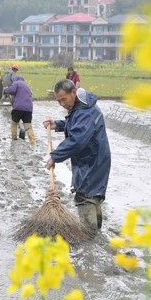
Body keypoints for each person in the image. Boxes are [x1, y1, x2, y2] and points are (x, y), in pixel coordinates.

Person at [42, 79, 111, 232]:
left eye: (64, 99)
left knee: (85, 196)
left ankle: (89, 235)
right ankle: (95, 232)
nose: (62, 104)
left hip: (92, 160)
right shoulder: (80, 105)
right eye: (58, 101)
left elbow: (77, 139)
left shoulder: (85, 111)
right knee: (93, 195)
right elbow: (76, 124)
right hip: (93, 158)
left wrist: (55, 156)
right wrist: (58, 125)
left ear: (73, 92)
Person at [3, 74, 36, 145]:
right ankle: (32, 141)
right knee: (28, 126)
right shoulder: (27, 86)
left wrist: (5, 90)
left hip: (18, 108)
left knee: (14, 123)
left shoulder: (16, 83)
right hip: (28, 109)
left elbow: (10, 90)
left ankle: (14, 139)